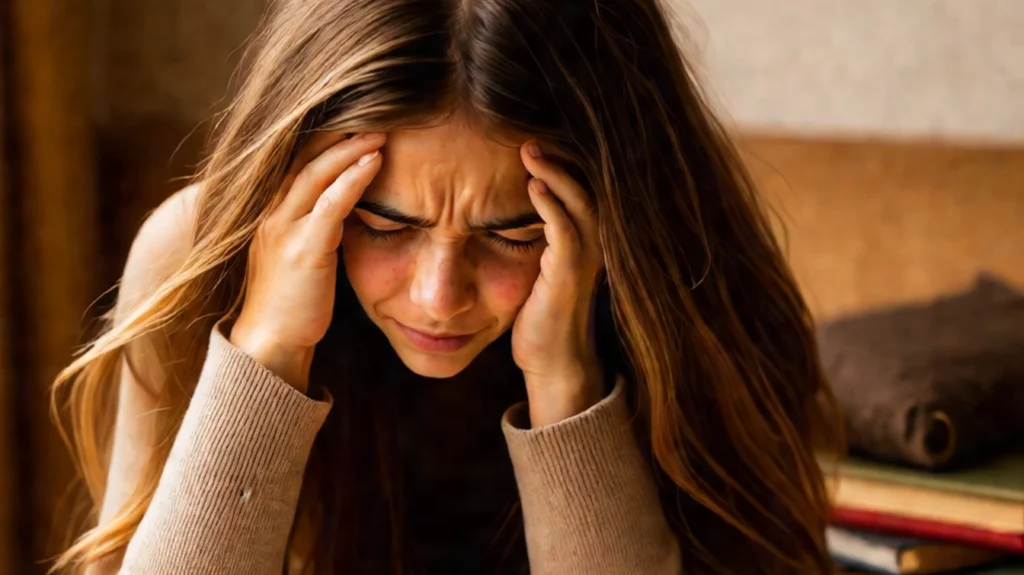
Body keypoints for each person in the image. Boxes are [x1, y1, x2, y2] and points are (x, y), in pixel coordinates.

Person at [51, 0, 840, 573]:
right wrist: (265, 355)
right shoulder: (195, 256)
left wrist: (566, 387)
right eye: (387, 224)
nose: (439, 296)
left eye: (513, 234)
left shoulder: (689, 282)